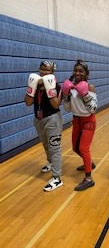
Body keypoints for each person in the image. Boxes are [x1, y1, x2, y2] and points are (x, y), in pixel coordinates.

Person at [24, 61, 63, 191]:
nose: (44, 72)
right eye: (42, 69)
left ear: (52, 72)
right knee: (45, 144)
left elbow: (56, 105)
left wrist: (49, 89)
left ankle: (57, 178)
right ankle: (51, 163)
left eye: (48, 70)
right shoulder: (34, 84)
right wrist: (31, 89)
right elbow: (28, 103)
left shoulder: (57, 86)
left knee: (54, 148)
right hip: (38, 119)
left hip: (52, 119)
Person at [62, 59, 97, 191]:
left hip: (88, 120)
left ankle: (89, 179)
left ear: (86, 74)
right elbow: (67, 109)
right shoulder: (70, 87)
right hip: (76, 120)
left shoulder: (90, 87)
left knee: (83, 148)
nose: (77, 73)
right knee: (75, 148)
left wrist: (85, 95)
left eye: (80, 71)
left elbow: (93, 109)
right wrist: (65, 95)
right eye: (75, 70)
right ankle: (89, 163)